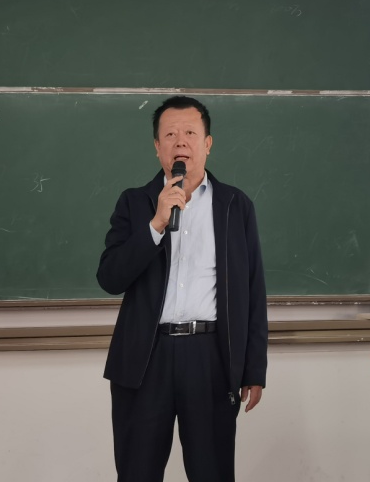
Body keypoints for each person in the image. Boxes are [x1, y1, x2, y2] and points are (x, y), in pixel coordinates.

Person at [97, 95, 268, 482]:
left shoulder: (235, 205)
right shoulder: (135, 203)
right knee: (137, 473)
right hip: (145, 359)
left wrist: (254, 368)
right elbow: (110, 278)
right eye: (170, 135)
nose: (180, 142)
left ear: (207, 143)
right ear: (157, 146)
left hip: (210, 357)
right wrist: (155, 225)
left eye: (190, 133)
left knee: (212, 472)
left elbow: (254, 290)